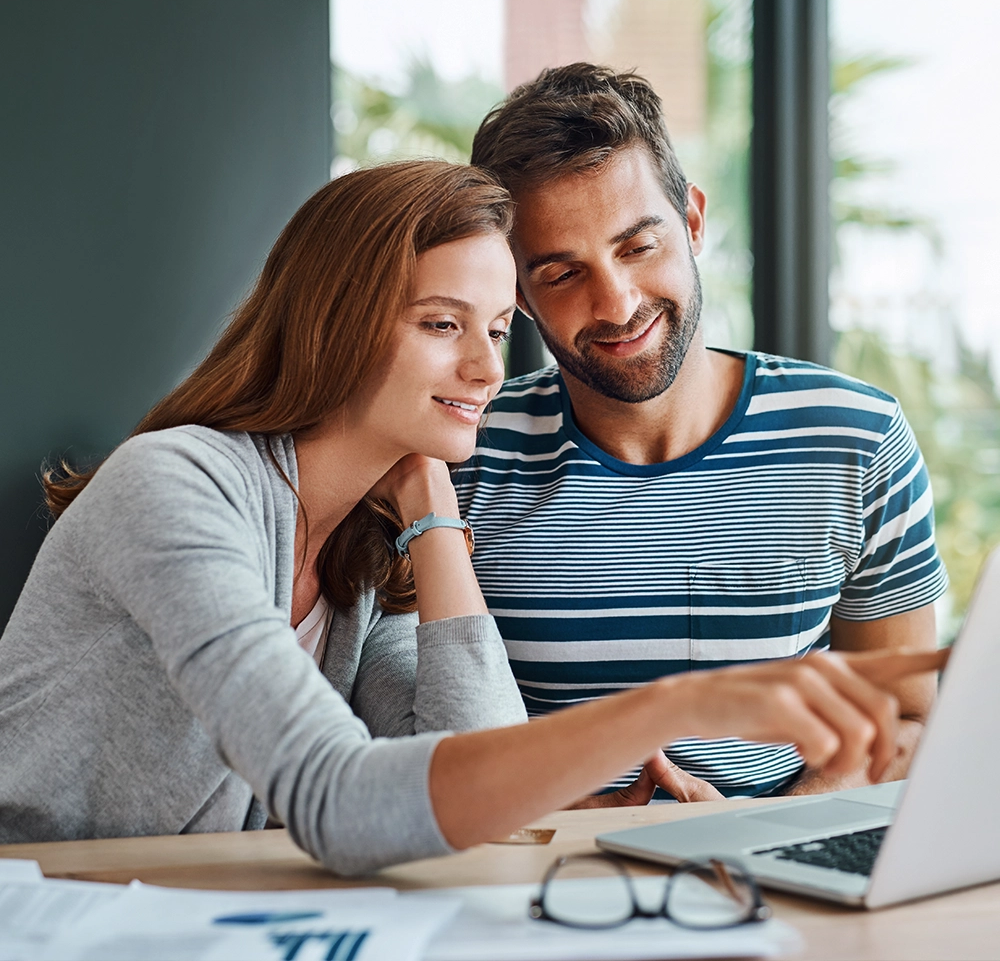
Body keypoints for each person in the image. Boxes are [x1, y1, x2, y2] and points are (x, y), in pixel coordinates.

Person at [0, 160, 944, 876]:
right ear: (333, 321)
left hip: (179, 914)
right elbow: (336, 800)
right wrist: (682, 704)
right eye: (442, 325)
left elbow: (464, 765)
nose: (491, 372)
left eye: (497, 330)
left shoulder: (357, 556)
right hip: (42, 913)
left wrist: (431, 507)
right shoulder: (176, 487)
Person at [460, 63, 948, 805]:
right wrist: (571, 820)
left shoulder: (858, 438)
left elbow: (908, 719)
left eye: (637, 247)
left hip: (774, 882)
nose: (616, 303)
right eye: (562, 274)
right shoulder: (464, 454)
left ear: (691, 220)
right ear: (519, 296)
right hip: (536, 881)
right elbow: (412, 737)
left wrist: (755, 835)